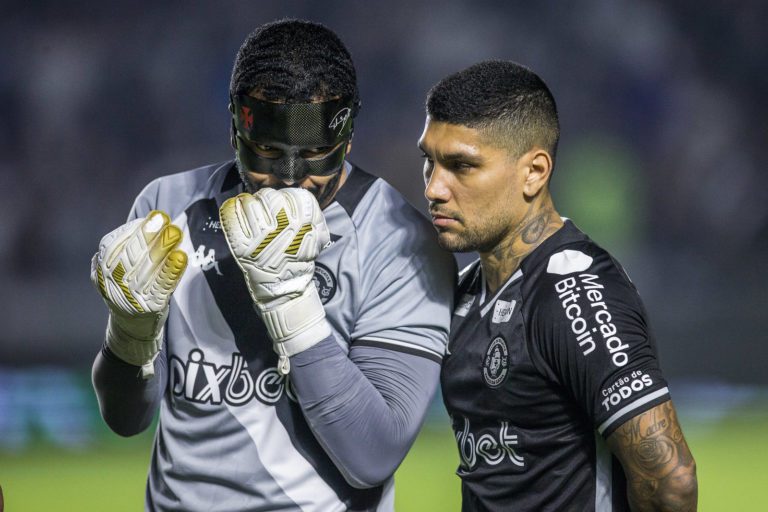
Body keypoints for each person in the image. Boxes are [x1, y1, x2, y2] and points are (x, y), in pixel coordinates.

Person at [90, 19, 455, 512]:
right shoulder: (166, 206)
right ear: (235, 126)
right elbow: (125, 419)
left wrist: (291, 302)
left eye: (313, 154)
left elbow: (373, 456)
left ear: (347, 137)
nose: (287, 179)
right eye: (266, 151)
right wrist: (129, 334)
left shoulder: (400, 241)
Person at [419, 60, 697, 511]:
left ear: (534, 172)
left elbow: (670, 480)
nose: (434, 187)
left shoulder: (577, 292)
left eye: (461, 166)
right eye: (428, 161)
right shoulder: (468, 290)